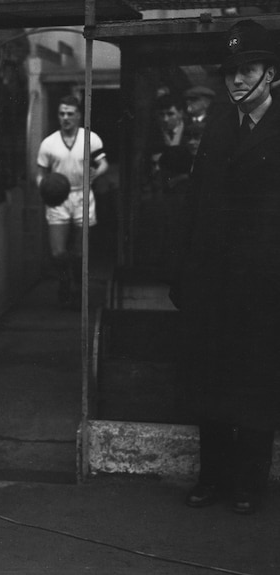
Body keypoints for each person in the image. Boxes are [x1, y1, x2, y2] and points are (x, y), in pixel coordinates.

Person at [172, 19, 280, 516]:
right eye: (231, 71)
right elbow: (196, 202)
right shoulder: (217, 124)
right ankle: (212, 478)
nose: (237, 80)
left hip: (264, 287)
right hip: (212, 284)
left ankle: (248, 484)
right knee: (210, 382)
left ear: (271, 74)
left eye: (248, 69)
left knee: (256, 384)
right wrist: (184, 272)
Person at [36, 95, 108, 308]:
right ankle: (64, 279)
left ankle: (77, 282)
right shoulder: (49, 143)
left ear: (78, 115)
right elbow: (40, 173)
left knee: (79, 252)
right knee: (58, 252)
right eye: (61, 113)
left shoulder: (91, 138)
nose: (65, 118)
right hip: (58, 198)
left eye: (69, 114)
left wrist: (96, 173)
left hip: (83, 195)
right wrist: (45, 187)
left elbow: (103, 163)